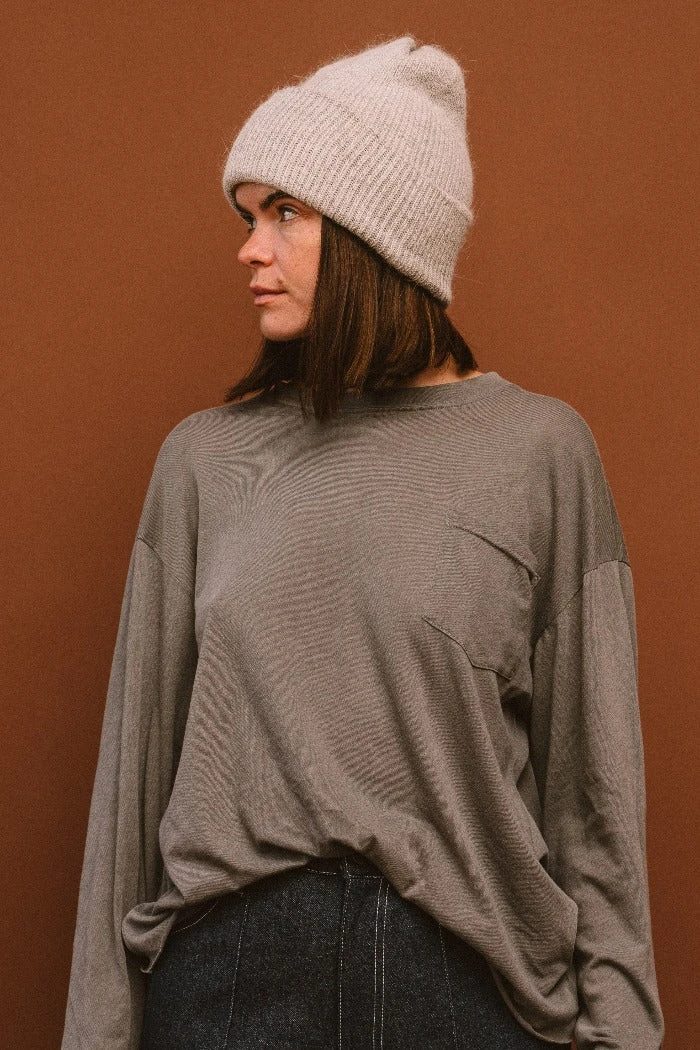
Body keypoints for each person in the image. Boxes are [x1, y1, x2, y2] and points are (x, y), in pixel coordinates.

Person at [61, 34, 664, 1050]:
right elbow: (130, 792)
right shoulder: (205, 461)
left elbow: (595, 803)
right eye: (249, 217)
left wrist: (621, 1036)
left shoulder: (539, 454)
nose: (249, 249)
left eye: (285, 212)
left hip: (463, 992)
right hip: (228, 990)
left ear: (377, 234)